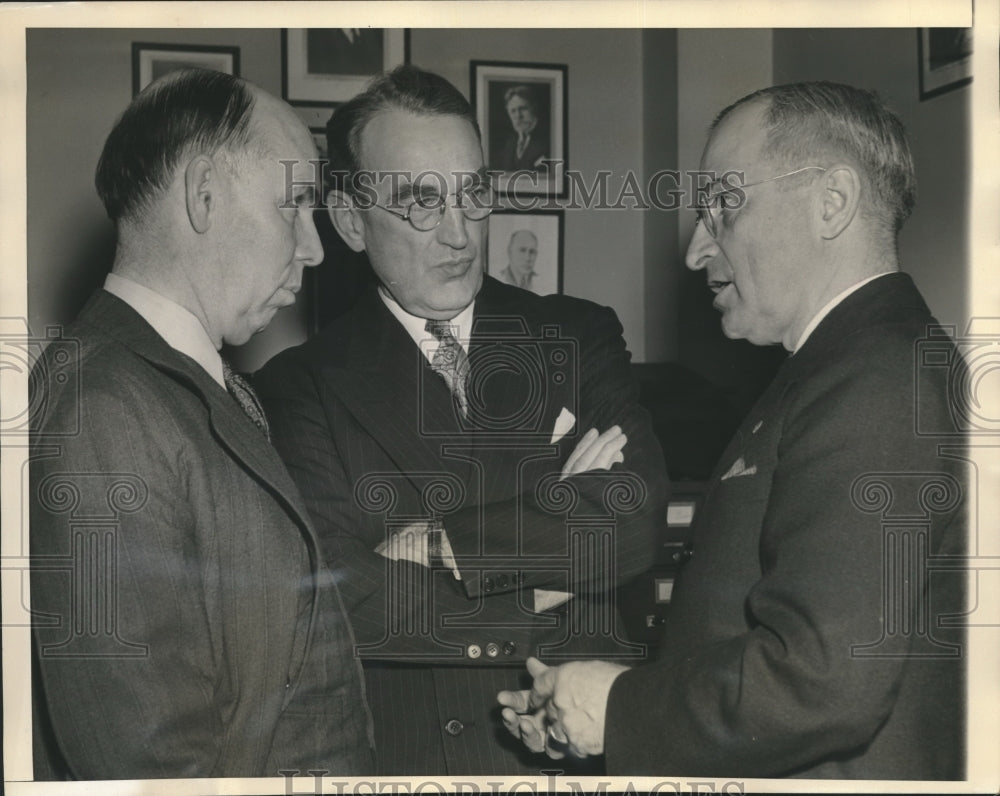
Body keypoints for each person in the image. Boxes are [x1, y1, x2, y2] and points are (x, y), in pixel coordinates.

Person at [498, 81, 967, 779]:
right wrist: (598, 702)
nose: (695, 250)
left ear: (832, 202)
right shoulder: (840, 365)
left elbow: (822, 681)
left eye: (723, 204)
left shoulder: (878, 377)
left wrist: (618, 709)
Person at [253, 65, 668, 776]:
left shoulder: (576, 332)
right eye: (420, 202)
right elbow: (342, 594)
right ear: (350, 222)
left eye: (472, 193)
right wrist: (545, 571)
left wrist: (443, 546)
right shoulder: (297, 387)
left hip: (575, 753)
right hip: (413, 763)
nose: (459, 234)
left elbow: (633, 513)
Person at [29, 69, 374, 779]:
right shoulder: (104, 409)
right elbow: (150, 765)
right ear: (205, 193)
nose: (313, 248)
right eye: (294, 205)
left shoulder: (174, 384)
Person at [498, 85, 548, 172]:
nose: (518, 116)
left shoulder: (549, 140)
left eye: (523, 109)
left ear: (534, 107)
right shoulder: (509, 144)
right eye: (513, 111)